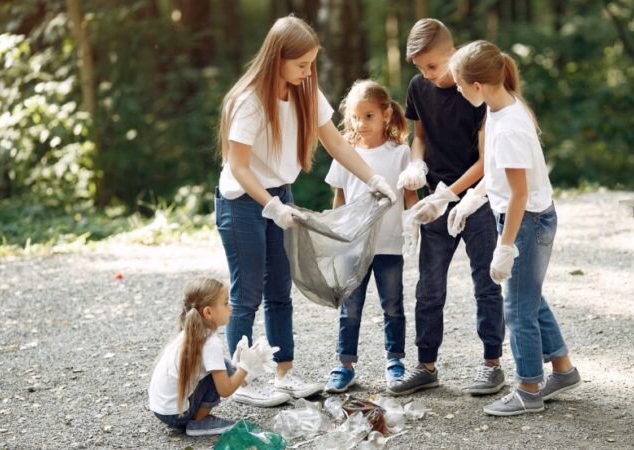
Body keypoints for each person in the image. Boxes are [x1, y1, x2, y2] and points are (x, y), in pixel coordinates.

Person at [216, 16, 397, 407]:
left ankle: (284, 375)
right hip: (242, 201)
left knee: (280, 290)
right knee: (247, 294)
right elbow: (239, 168)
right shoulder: (247, 101)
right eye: (301, 65)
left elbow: (335, 143)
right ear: (276, 58)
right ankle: (239, 379)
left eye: (311, 63)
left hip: (280, 193)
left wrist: (372, 179)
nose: (307, 72)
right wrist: (272, 206)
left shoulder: (305, 91)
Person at [447, 40, 581, 416]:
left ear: (476, 85)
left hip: (526, 222)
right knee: (530, 298)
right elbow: (497, 173)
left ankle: (529, 389)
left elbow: (519, 194)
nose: (457, 90)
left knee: (517, 310)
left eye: (459, 84)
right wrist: (471, 199)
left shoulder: (508, 127)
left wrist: (505, 246)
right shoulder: (501, 109)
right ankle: (563, 370)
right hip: (526, 216)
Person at [388, 18, 505, 397]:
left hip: (476, 200)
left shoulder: (474, 91)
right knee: (429, 287)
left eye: (433, 66)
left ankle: (492, 364)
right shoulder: (419, 87)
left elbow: (486, 161)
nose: (427, 74)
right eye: (420, 68)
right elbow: (419, 137)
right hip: (434, 202)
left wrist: (448, 195)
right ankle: (426, 366)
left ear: (452, 54)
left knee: (485, 283)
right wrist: (416, 165)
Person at [322, 80, 419, 393]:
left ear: (386, 114)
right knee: (350, 309)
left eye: (368, 116)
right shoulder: (345, 153)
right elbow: (339, 198)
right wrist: (336, 234)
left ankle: (395, 362)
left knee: (392, 306)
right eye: (355, 117)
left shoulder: (400, 154)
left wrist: (414, 225)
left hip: (390, 246)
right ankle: (345, 365)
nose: (360, 123)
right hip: (354, 248)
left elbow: (410, 197)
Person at [148, 278, 275, 435]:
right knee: (219, 369)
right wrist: (246, 366)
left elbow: (222, 369)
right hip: (176, 415)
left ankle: (195, 417)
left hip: (161, 410)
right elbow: (225, 390)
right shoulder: (210, 342)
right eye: (226, 303)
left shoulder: (190, 332)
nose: (231, 307)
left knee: (223, 364)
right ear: (208, 312)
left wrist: (239, 363)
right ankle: (199, 422)